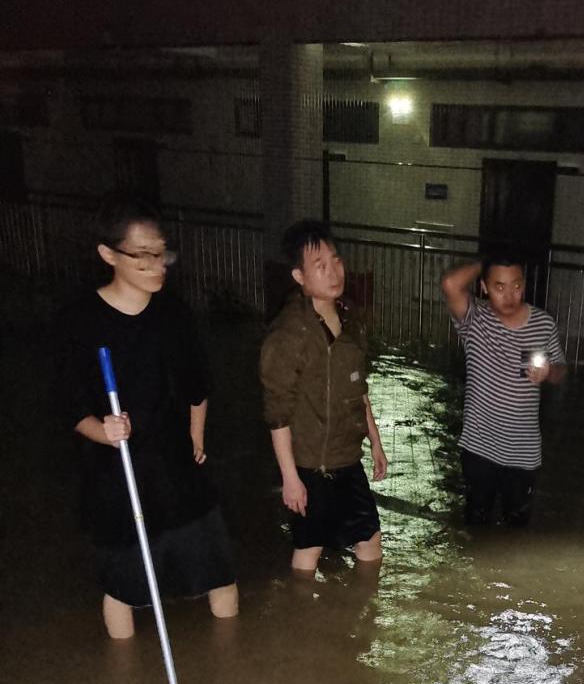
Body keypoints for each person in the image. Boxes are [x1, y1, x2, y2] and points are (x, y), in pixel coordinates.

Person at [60, 195, 238, 640]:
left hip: (177, 467)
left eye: (162, 253)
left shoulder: (174, 313)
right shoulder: (82, 320)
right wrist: (102, 430)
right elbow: (68, 404)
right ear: (109, 254)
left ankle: (233, 659)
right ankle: (124, 671)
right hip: (118, 473)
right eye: (143, 255)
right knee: (124, 585)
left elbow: (198, 385)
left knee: (219, 572)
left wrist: (197, 437)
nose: (158, 265)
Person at [260, 220, 387, 574]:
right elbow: (277, 412)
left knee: (370, 542)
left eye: (336, 260)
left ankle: (362, 607)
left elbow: (359, 390)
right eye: (320, 265)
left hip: (348, 460)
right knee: (309, 548)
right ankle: (300, 608)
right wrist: (290, 479)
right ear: (299, 276)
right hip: (311, 465)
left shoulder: (351, 321)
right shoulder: (289, 334)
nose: (333, 271)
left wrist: (376, 443)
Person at [441, 253, 566, 526]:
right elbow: (450, 283)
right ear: (484, 286)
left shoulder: (543, 324)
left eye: (516, 286)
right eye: (499, 287)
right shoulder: (474, 320)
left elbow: (561, 371)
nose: (510, 296)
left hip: (523, 451)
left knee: (516, 526)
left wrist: (548, 372)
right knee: (476, 521)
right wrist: (485, 260)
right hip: (479, 446)